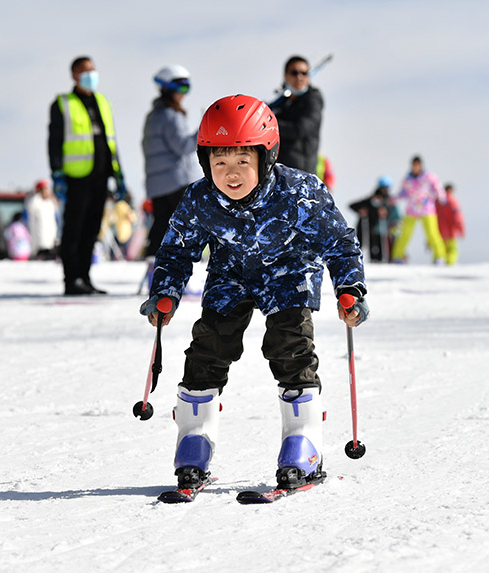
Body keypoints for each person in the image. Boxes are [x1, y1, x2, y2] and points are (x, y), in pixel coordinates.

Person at [139, 94, 368, 493]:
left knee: (288, 347)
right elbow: (176, 249)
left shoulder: (300, 193)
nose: (230, 174)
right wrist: (166, 291)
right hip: (230, 275)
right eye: (219, 162)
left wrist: (349, 288)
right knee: (208, 349)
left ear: (266, 158)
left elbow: (339, 243)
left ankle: (303, 441)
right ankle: (194, 440)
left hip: (289, 273)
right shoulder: (200, 199)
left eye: (243, 161)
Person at [48, 55, 126, 295]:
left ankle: (85, 277)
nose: (90, 75)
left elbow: (110, 140)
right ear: (74, 75)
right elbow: (54, 142)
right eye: (85, 71)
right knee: (74, 230)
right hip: (76, 178)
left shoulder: (102, 102)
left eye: (93, 70)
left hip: (100, 176)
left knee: (92, 230)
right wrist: (57, 174)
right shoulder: (63, 103)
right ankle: (72, 280)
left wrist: (119, 173)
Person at [141, 64, 202, 258]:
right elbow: (184, 146)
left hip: (159, 184)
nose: (184, 93)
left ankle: (154, 271)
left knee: (161, 228)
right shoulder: (171, 116)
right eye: (182, 87)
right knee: (182, 229)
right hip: (176, 181)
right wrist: (203, 131)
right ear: (169, 88)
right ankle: (178, 276)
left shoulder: (153, 116)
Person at [268, 55, 324, 175]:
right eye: (294, 73)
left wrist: (268, 124)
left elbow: (299, 129)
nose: (299, 77)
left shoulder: (312, 99)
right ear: (285, 76)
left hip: (301, 175)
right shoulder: (282, 103)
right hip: (280, 174)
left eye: (304, 73)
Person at [390, 155, 447, 264]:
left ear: (421, 165)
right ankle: (398, 256)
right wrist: (395, 198)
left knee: (432, 233)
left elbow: (438, 187)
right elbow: (403, 192)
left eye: (418, 165)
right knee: (405, 233)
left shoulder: (429, 177)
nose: (416, 167)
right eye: (414, 165)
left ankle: (440, 257)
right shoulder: (407, 179)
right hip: (412, 209)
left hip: (427, 208)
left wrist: (441, 198)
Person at [349, 176, 395, 263]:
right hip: (367, 226)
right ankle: (358, 259)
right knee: (363, 242)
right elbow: (351, 205)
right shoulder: (368, 201)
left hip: (380, 228)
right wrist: (361, 210)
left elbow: (392, 213)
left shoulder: (387, 201)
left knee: (380, 242)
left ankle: (382, 259)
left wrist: (386, 213)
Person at [25, 179, 59, 260]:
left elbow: (56, 207)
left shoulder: (49, 202)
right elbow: (31, 207)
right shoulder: (34, 200)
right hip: (38, 237)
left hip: (50, 236)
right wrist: (38, 194)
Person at [436, 183, 465, 265]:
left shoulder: (437, 202)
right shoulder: (452, 201)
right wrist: (460, 229)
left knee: (440, 248)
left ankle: (438, 264)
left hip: (439, 230)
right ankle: (450, 264)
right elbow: (457, 216)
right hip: (451, 230)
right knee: (452, 249)